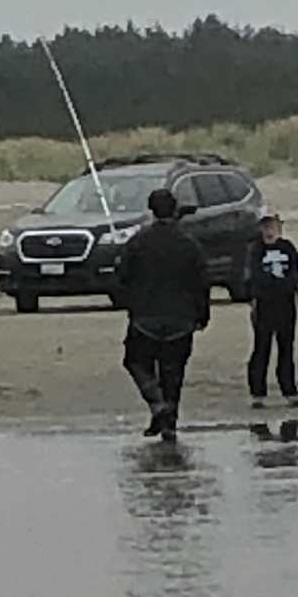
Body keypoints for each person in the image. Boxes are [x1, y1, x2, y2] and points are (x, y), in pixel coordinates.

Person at [115, 187, 210, 441]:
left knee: (135, 362)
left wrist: (130, 302)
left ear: (151, 210)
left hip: (146, 317)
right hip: (180, 318)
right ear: (175, 209)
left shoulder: (138, 242)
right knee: (173, 372)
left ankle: (158, 405)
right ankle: (168, 420)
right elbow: (202, 282)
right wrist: (203, 315)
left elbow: (121, 277)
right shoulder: (189, 244)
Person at [246, 207, 298, 408]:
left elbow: (295, 272)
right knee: (262, 348)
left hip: (286, 304)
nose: (268, 230)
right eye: (265, 226)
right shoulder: (255, 250)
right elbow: (256, 276)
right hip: (264, 305)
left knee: (286, 348)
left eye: (272, 225)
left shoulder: (288, 248)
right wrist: (268, 288)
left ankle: (289, 389)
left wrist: (295, 288)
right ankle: (257, 392)